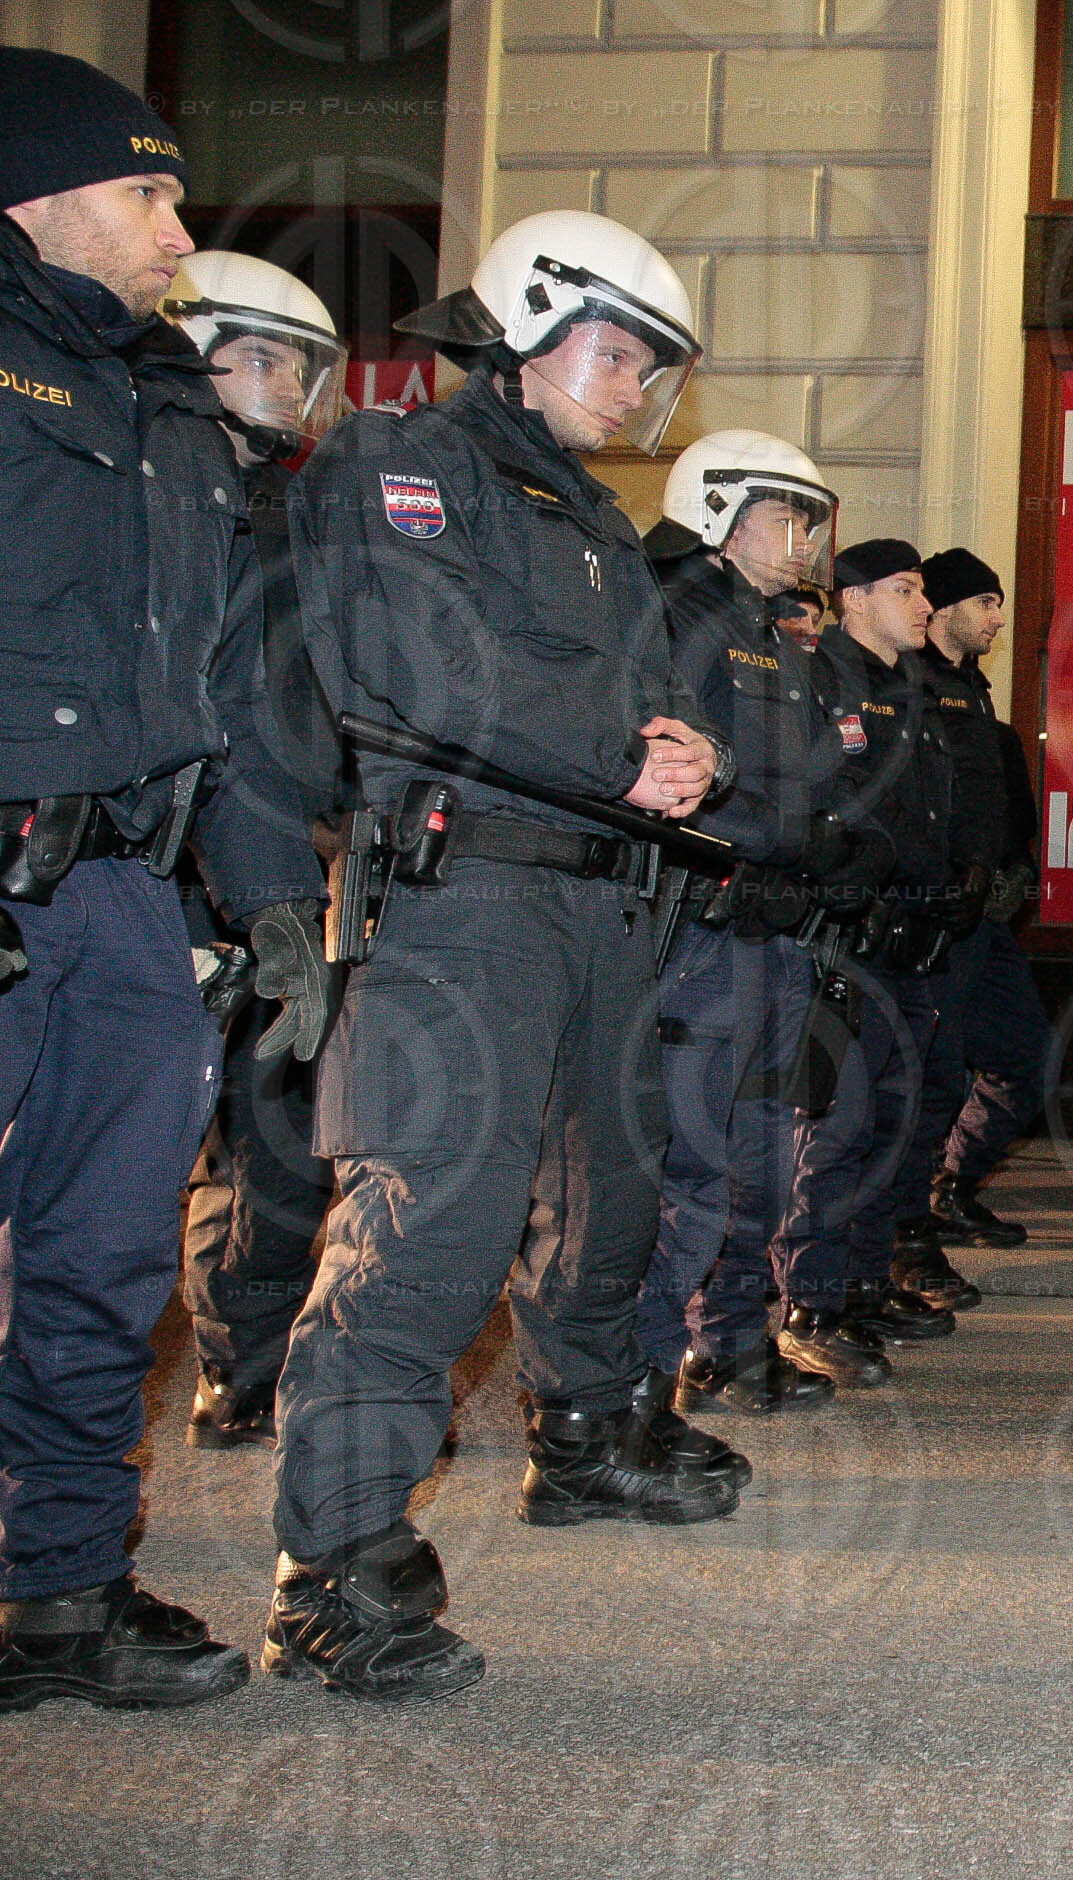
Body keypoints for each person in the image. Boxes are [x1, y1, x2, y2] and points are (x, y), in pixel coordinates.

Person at [271, 210, 743, 1701]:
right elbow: (421, 668)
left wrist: (692, 755)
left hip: (600, 905)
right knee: (430, 1230)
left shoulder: (597, 520)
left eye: (653, 370)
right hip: (466, 899)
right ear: (526, 334)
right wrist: (628, 751)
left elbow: (659, 704)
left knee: (613, 1190)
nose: (633, 394)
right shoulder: (401, 464)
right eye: (617, 356)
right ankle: (333, 1570)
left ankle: (584, 1437)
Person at [0, 51, 329, 1715]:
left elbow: (230, 694)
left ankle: (63, 1588)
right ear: (34, 198)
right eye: (147, 193)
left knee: (107, 1262)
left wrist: (272, 900)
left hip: (125, 900)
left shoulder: (172, 406)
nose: (178, 229)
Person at [637, 431, 893, 1418]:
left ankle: (729, 1344)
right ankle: (636, 1383)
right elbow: (672, 772)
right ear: (720, 511)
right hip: (705, 926)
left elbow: (809, 780)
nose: (802, 539)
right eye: (786, 515)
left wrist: (830, 853)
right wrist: (771, 849)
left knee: (755, 1158)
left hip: (776, 928)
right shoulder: (673, 614)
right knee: (692, 1164)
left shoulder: (770, 629)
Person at [160, 250, 350, 1449]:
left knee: (280, 1139)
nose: (291, 385)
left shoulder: (307, 510)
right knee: (137, 1143)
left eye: (303, 364)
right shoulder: (134, 487)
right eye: (269, 356)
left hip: (284, 854)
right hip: (148, 863)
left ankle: (248, 1364)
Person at [778, 539, 959, 1384]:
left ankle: (858, 1281)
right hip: (847, 937)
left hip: (913, 938)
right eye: (905, 589)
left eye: (923, 590)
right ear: (853, 600)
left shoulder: (911, 687)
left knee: (895, 1120)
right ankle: (809, 1302)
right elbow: (822, 803)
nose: (923, 605)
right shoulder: (825, 680)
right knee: (836, 1126)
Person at [895, 544, 1056, 1298]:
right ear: (947, 606)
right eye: (986, 602)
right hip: (933, 918)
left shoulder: (972, 689)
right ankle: (904, 1246)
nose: (998, 616)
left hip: (983, 920)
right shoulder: (911, 680)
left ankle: (949, 1188)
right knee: (926, 1083)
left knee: (1026, 1053)